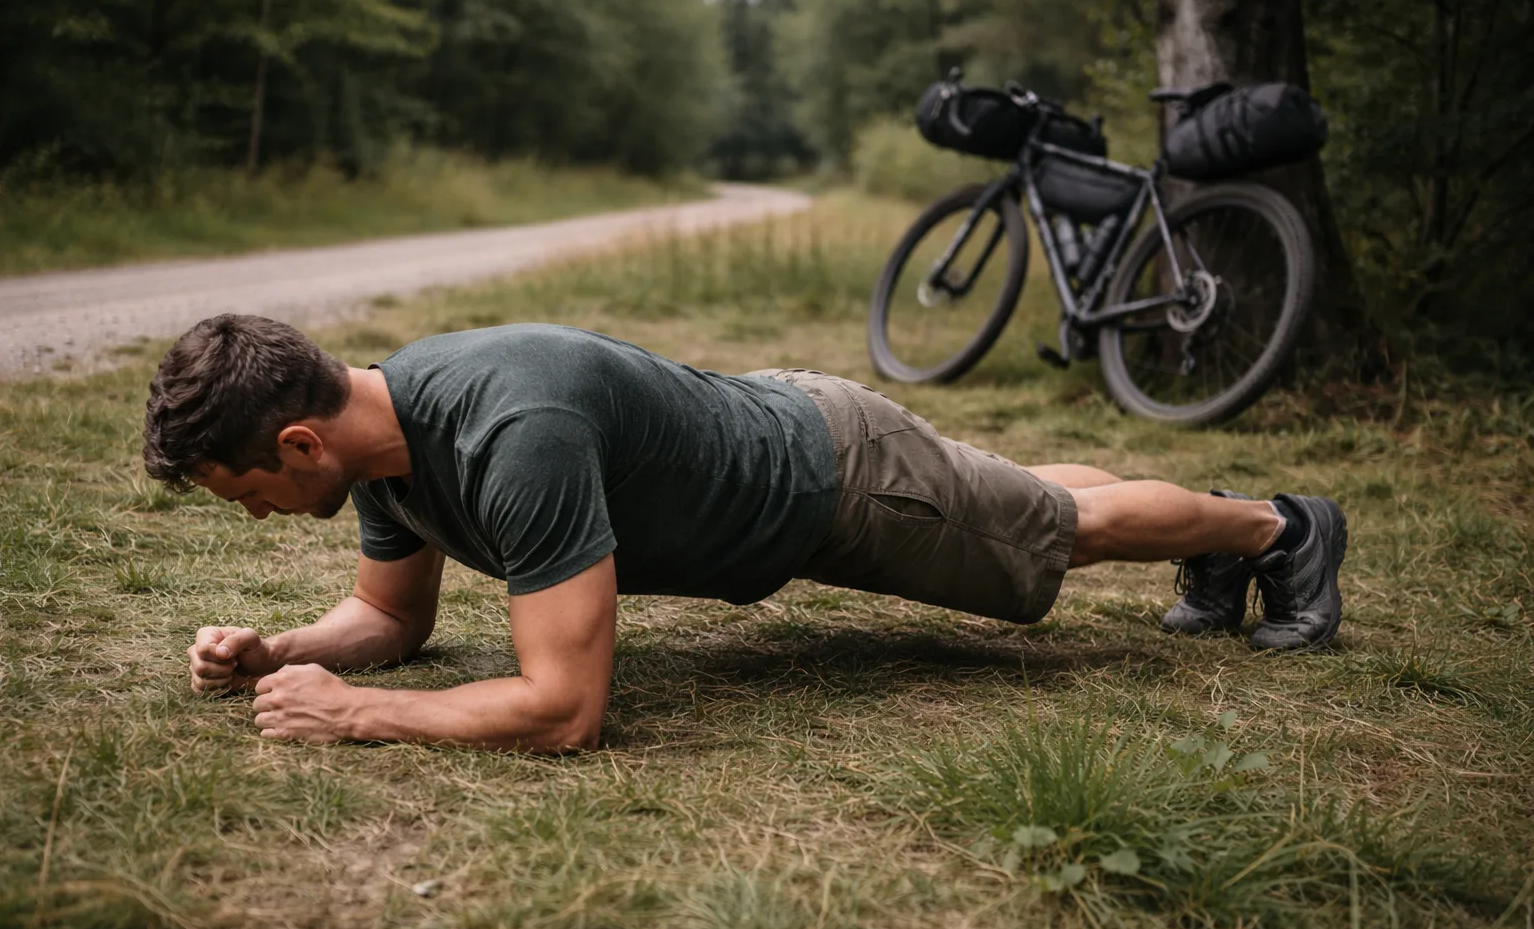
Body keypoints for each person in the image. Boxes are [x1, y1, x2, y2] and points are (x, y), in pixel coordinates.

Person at [145, 314, 1348, 752]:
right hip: (802, 440)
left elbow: (564, 709)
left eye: (240, 490)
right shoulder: (388, 442)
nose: (252, 515)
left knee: (1055, 528)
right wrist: (291, 652)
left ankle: (1276, 529)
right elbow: (392, 617)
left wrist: (360, 713)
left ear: (299, 443)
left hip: (830, 480)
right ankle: (1223, 533)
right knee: (1014, 495)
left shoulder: (514, 432)